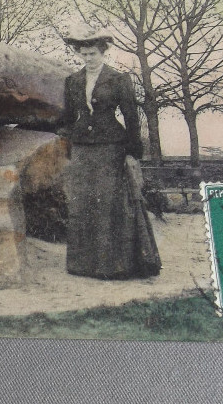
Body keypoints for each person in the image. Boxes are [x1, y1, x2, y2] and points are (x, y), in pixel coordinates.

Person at [58, 29, 161, 279]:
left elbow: (131, 117)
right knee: (82, 202)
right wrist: (67, 136)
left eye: (93, 53)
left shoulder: (118, 79)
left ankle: (115, 265)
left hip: (111, 146)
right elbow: (69, 117)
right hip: (83, 147)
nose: (88, 58)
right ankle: (83, 265)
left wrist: (132, 151)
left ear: (103, 53)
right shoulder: (72, 81)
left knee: (109, 203)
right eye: (84, 54)